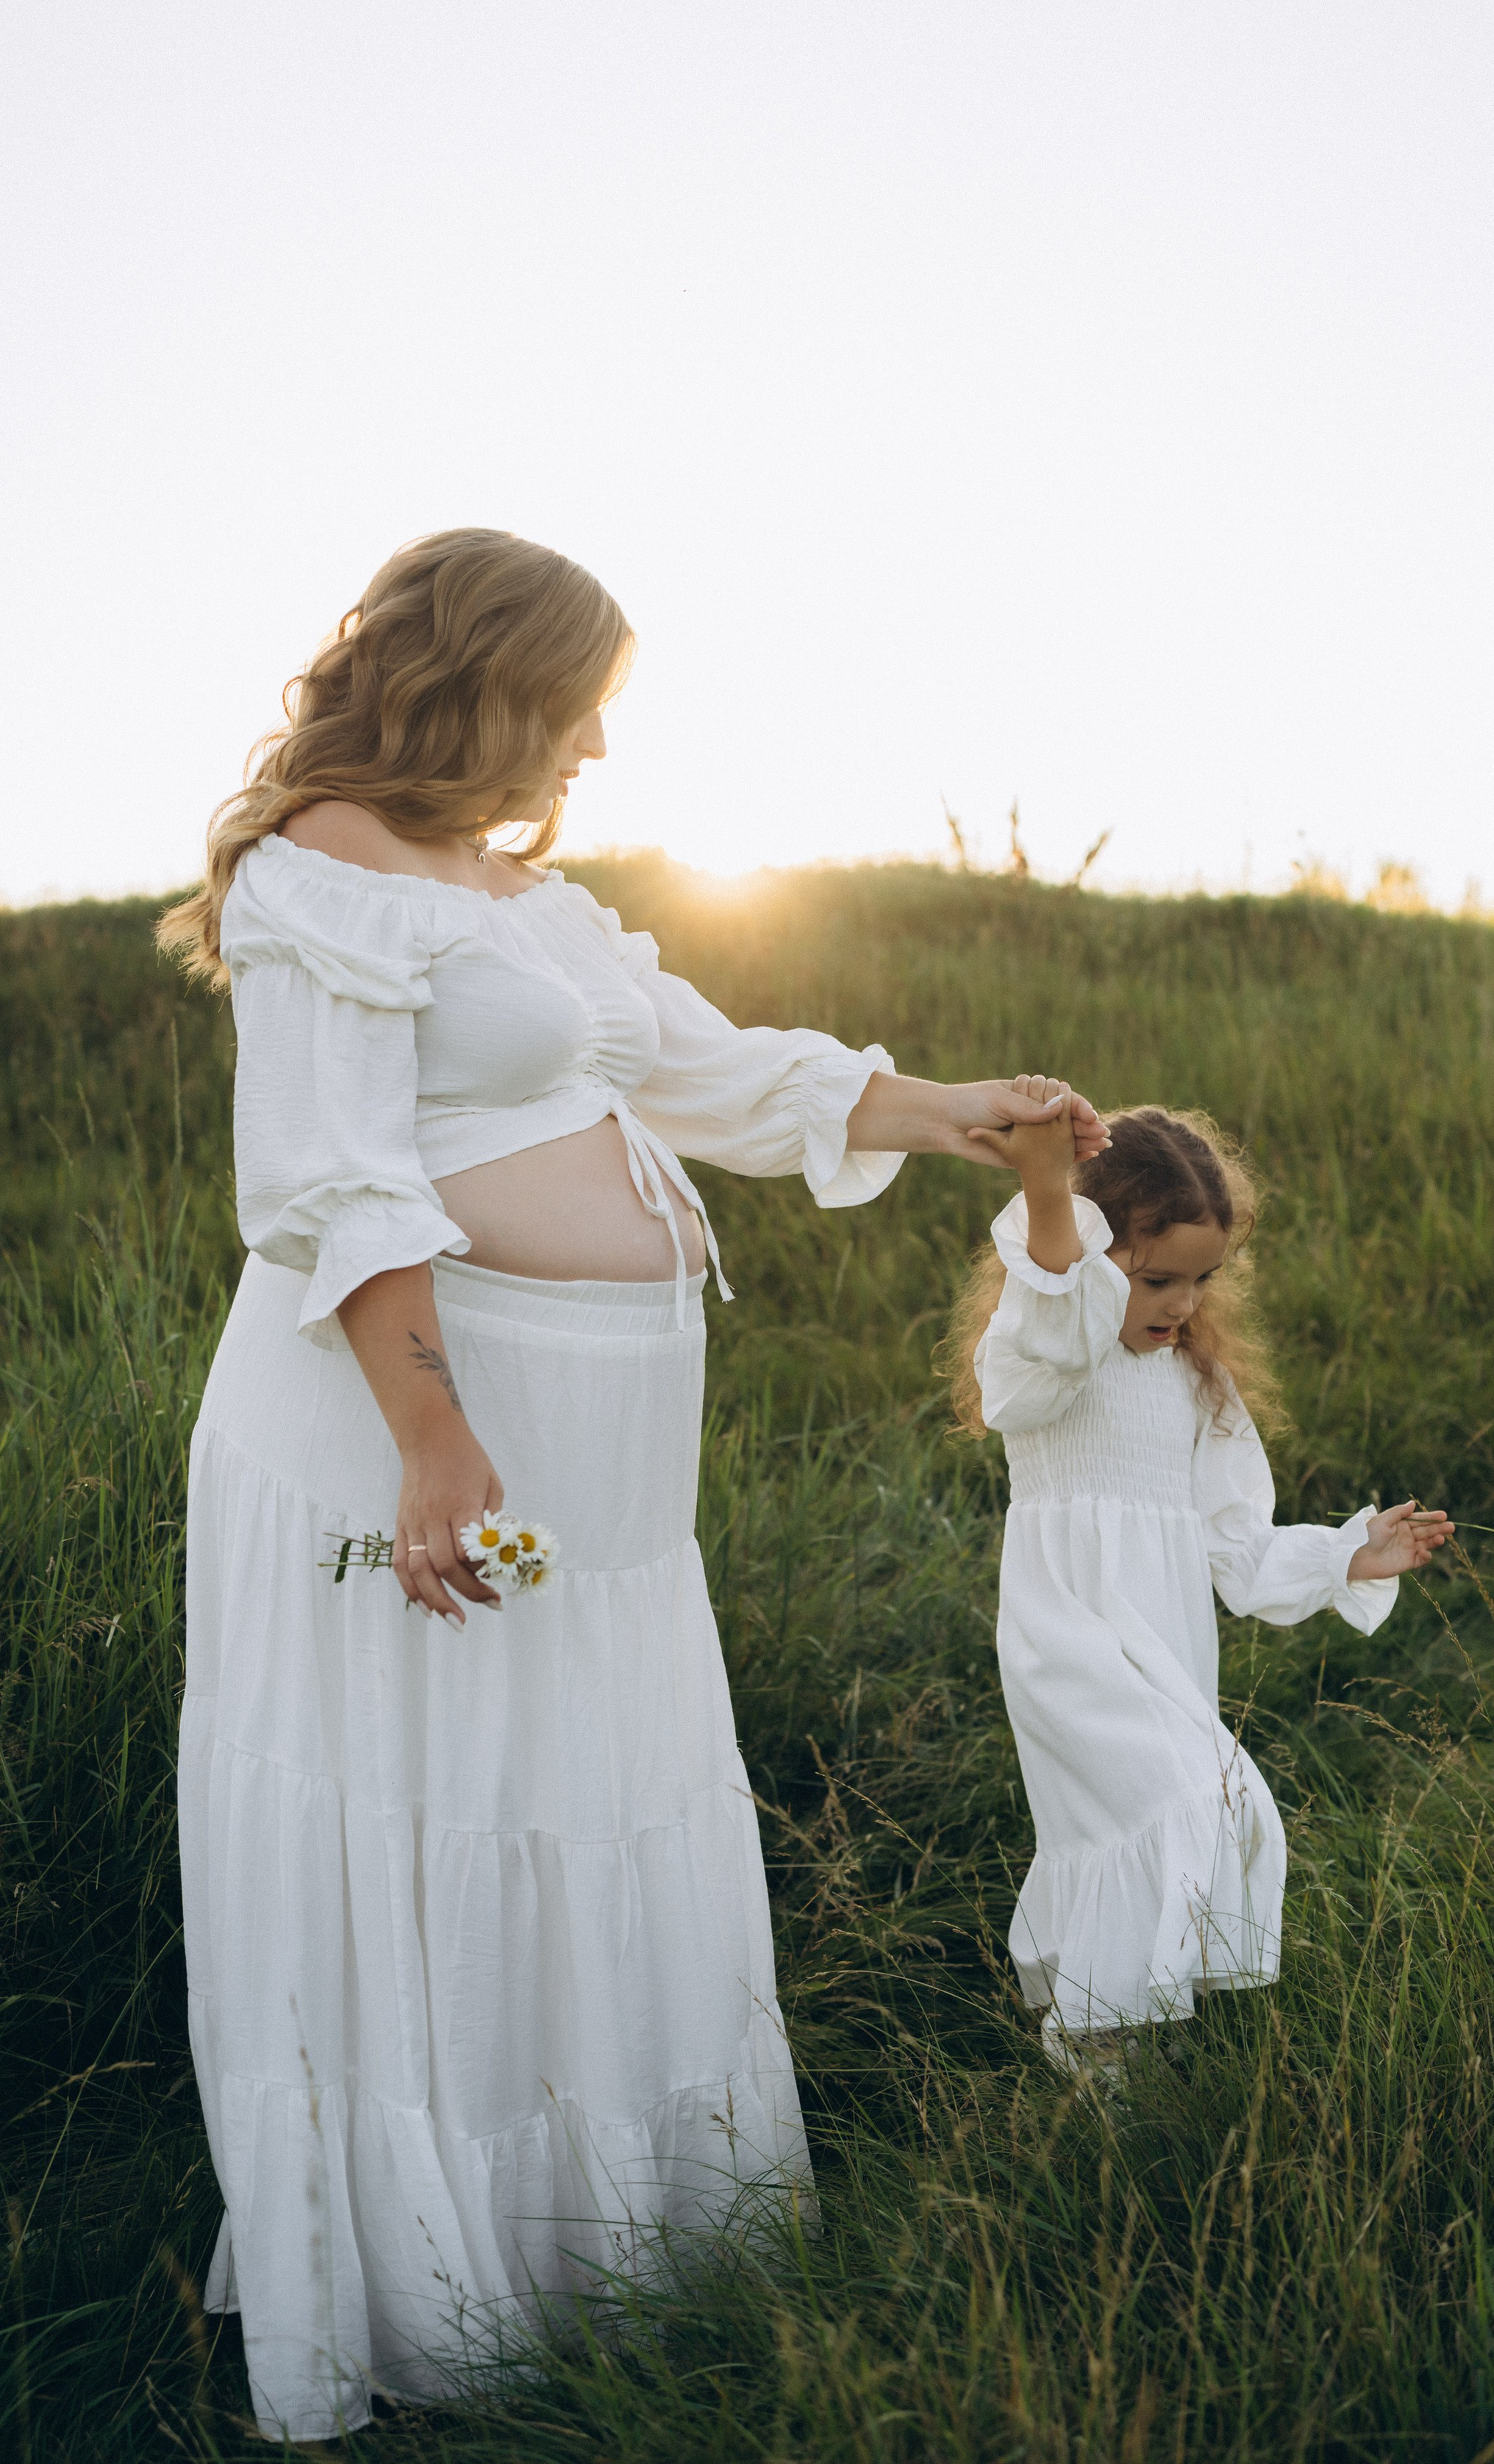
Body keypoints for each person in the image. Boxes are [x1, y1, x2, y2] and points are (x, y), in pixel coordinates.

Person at [157, 529, 1104, 2442]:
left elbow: (704, 1069)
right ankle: (427, 2298)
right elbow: (333, 1179)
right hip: (406, 1431)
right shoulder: (320, 869)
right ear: (487, 676)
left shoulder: (534, 904)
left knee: (575, 1792)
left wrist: (943, 1112)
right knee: (431, 1801)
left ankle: (607, 2258)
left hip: (605, 1474)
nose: (591, 754)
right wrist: (433, 1436)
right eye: (578, 713)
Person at [953, 1089, 1452, 2071]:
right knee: (1181, 1803)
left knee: (1198, 1809)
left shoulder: (1201, 1387)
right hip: (1071, 1642)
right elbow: (1044, 1324)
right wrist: (1051, 1193)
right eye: (1152, 1280)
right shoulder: (1054, 1363)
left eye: (1200, 1280)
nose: (1181, 1304)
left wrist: (1347, 1554)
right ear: (1092, 1263)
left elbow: (1237, 1554)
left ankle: (1125, 2055)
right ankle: (1096, 2041)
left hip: (1165, 1649)